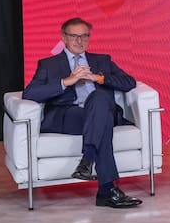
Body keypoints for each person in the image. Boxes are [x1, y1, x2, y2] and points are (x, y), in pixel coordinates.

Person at [22, 18, 143, 208]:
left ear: (89, 37)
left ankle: (87, 160)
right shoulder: (49, 64)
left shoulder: (102, 60)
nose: (79, 41)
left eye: (84, 36)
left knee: (99, 99)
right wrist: (66, 82)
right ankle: (105, 190)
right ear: (64, 37)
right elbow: (30, 93)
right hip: (69, 115)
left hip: (99, 111)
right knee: (102, 123)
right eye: (74, 36)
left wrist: (99, 78)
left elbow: (129, 82)